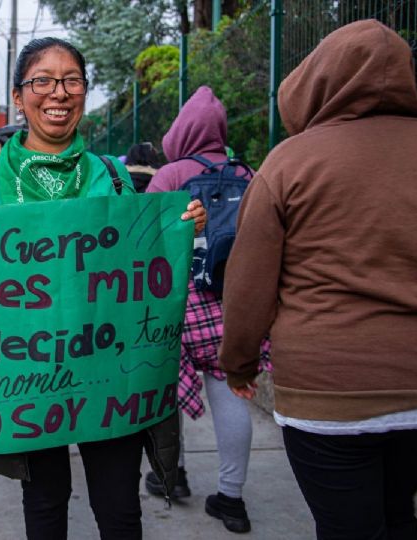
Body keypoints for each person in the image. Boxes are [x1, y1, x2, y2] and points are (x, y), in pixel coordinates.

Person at [0, 37, 206, 540]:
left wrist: (182, 226)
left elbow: (142, 260)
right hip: (23, 374)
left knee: (119, 506)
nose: (58, 92)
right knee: (44, 501)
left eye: (71, 80)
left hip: (107, 371)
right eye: (42, 81)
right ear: (19, 96)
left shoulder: (113, 176)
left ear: (83, 90)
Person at [219, 20, 417, 540]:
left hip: (326, 391)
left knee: (346, 526)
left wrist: (238, 363)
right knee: (398, 514)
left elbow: (249, 286)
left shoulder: (289, 163)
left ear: (319, 80)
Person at [144, 85, 270, 533]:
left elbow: (146, 240)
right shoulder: (249, 173)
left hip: (177, 303)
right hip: (231, 302)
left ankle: (169, 476)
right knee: (233, 393)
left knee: (168, 393)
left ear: (182, 130)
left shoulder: (171, 175)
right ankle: (231, 499)